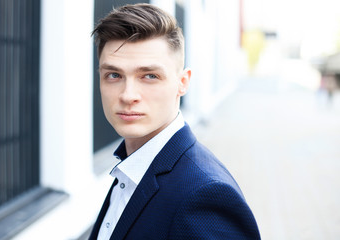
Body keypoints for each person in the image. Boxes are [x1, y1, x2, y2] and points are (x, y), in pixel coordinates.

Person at [89, 3, 260, 240]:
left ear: (182, 82)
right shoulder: (131, 168)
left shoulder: (203, 195)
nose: (128, 95)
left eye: (150, 76)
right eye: (114, 75)